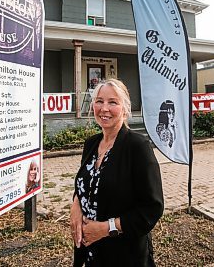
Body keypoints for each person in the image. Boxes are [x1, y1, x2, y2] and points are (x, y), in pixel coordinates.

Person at [70, 78, 164, 266]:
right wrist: (76, 204)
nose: (104, 108)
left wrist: (106, 228)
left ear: (125, 108)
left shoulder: (138, 147)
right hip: (89, 253)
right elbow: (87, 183)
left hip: (123, 255)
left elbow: (151, 209)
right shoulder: (91, 144)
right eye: (99, 101)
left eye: (112, 102)